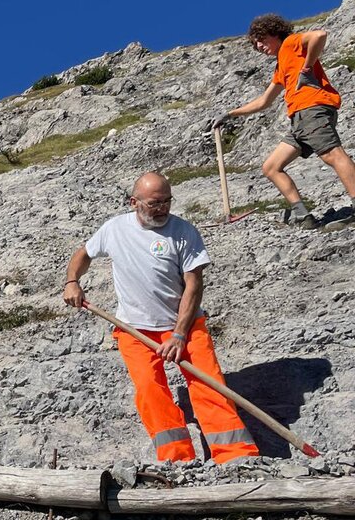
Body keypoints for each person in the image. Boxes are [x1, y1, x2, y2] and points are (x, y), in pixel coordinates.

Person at [63, 172, 259, 464]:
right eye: (155, 203)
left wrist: (180, 334)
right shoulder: (114, 229)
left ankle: (237, 458)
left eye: (167, 201)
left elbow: (194, 285)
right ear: (134, 202)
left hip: (186, 326)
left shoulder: (184, 232)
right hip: (133, 330)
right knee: (150, 393)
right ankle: (178, 460)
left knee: (210, 387)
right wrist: (72, 281)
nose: (163, 208)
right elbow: (84, 254)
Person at [211, 14, 355, 230]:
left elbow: (319, 35)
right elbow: (264, 101)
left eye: (261, 39)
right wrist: (230, 114)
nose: (259, 46)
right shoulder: (281, 65)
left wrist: (307, 69)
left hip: (311, 108)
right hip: (299, 119)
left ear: (274, 33)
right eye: (256, 44)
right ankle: (303, 216)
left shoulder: (290, 43)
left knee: (332, 154)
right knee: (271, 167)